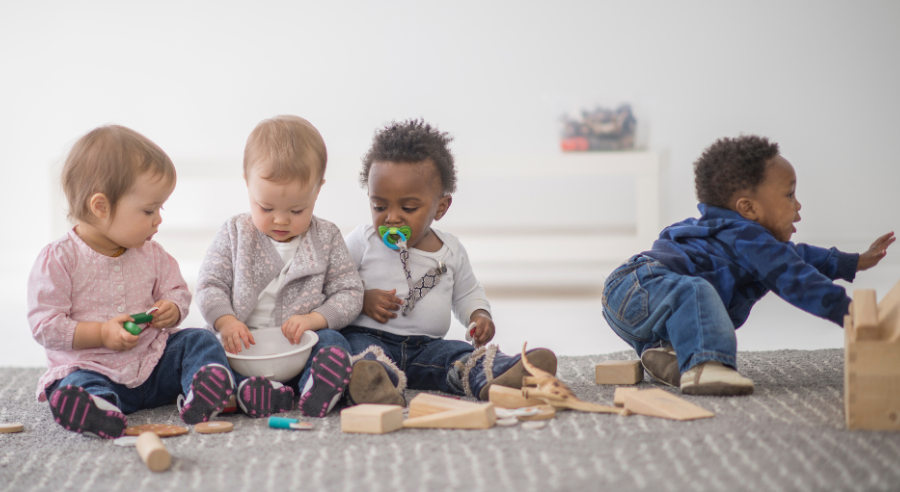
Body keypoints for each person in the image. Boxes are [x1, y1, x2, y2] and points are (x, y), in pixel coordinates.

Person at [602, 135, 895, 396]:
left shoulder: (741, 237)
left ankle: (664, 353)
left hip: (635, 298)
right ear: (748, 208)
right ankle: (706, 364)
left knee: (695, 299)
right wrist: (850, 313)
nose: (798, 205)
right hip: (642, 284)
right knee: (695, 291)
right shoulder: (745, 235)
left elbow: (797, 258)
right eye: (789, 194)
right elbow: (795, 277)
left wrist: (853, 262)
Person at [28, 125, 235, 439]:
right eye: (149, 210)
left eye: (160, 208)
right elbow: (45, 326)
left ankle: (205, 391)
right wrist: (100, 333)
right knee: (69, 385)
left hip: (152, 364)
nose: (159, 219)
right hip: (93, 369)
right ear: (101, 206)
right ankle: (97, 409)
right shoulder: (59, 259)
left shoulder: (151, 253)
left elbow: (176, 290)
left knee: (199, 340)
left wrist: (172, 308)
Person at [340, 119, 557, 406]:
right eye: (379, 206)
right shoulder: (362, 240)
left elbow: (467, 292)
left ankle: (497, 373)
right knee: (359, 354)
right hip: (370, 338)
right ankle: (374, 384)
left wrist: (479, 316)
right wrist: (362, 299)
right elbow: (334, 283)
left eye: (408, 208)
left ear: (440, 207)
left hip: (426, 349)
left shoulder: (450, 250)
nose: (391, 218)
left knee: (456, 355)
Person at [195, 115, 363, 418]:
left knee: (336, 342)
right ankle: (245, 391)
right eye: (266, 208)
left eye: (297, 210)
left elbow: (349, 292)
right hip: (241, 348)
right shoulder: (235, 233)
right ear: (247, 183)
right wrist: (226, 322)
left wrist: (315, 319)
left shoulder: (326, 237)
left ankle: (316, 383)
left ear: (318, 190)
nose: (281, 220)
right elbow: (210, 284)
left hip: (300, 346)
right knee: (201, 345)